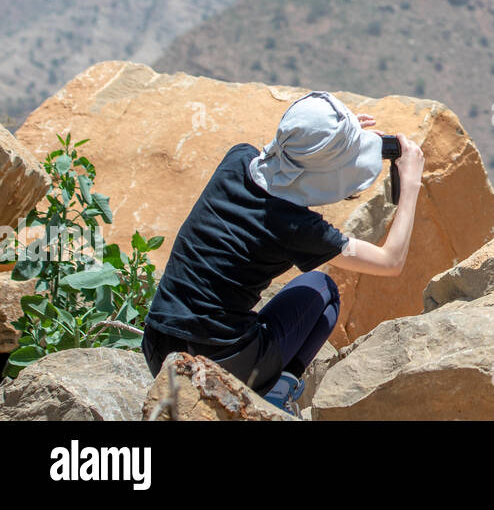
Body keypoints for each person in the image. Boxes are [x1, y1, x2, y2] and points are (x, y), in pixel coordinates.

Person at [141, 90, 424, 415]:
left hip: (158, 348)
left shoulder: (237, 160)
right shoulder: (297, 228)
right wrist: (411, 183)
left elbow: (283, 166)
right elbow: (391, 261)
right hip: (219, 365)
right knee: (323, 290)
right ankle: (275, 394)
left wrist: (327, 144)